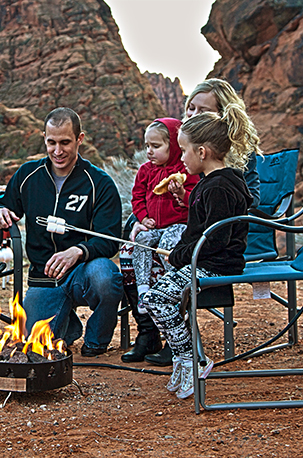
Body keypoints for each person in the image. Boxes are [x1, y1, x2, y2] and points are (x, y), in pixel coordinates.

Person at [143, 78, 264, 367]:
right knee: (144, 246)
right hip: (199, 241)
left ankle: (184, 350)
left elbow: (226, 220)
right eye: (190, 109)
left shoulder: (224, 176)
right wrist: (186, 199)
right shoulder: (201, 174)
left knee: (169, 252)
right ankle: (154, 333)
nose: (193, 115)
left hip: (214, 255)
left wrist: (184, 248)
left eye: (202, 110)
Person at [0, 107, 122, 357]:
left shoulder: (99, 183)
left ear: (79, 139)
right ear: (44, 138)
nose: (58, 151)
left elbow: (110, 238)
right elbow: (4, 204)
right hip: (44, 276)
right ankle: (68, 327)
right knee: (32, 342)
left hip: (84, 271)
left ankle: (96, 340)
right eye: (51, 142)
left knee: (106, 277)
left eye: (65, 142)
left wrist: (78, 252)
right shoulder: (28, 175)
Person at [120, 118, 198, 363]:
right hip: (153, 227)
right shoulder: (146, 171)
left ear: (173, 146)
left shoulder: (185, 172)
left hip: (177, 227)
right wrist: (142, 218)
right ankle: (146, 321)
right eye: (147, 146)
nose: (149, 151)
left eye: (156, 146)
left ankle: (169, 304)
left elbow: (194, 202)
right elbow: (137, 198)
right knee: (133, 246)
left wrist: (180, 194)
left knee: (167, 248)